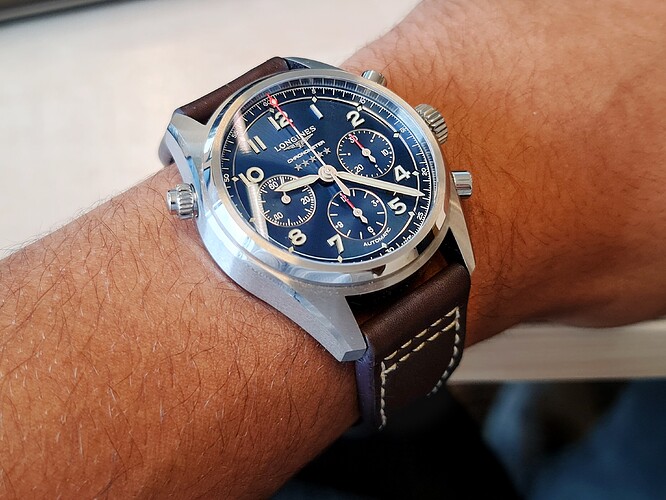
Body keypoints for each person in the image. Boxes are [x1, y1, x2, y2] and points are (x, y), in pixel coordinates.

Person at [0, 0, 664, 497]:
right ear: (190, 200)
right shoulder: (220, 190)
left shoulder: (423, 185)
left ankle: (527, 434)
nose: (324, 174)